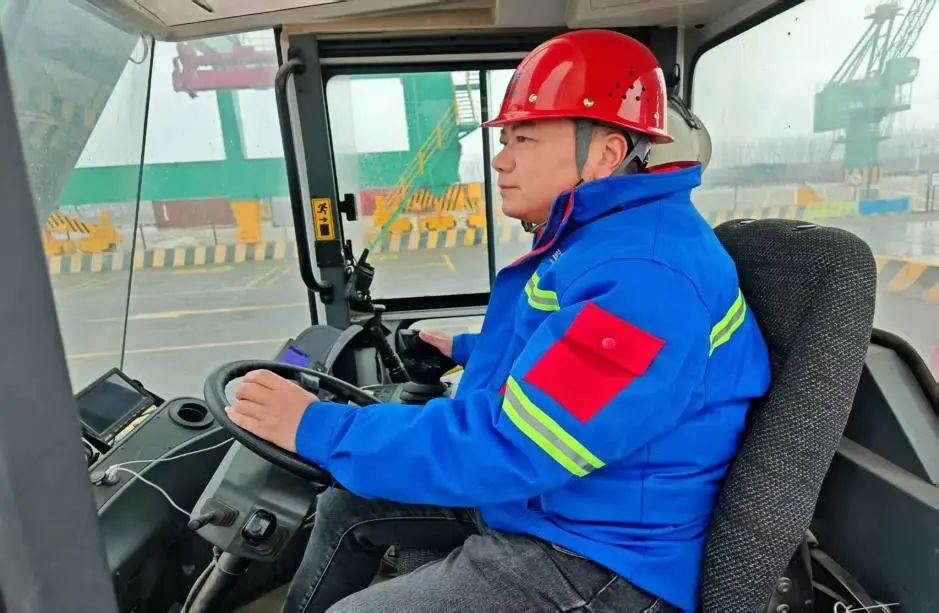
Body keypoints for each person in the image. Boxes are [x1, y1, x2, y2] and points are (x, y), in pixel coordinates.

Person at [227, 29, 770, 612]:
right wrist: (467, 347)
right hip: (555, 496)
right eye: (506, 138)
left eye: (525, 139)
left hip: (602, 555)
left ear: (605, 154)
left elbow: (517, 444)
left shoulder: (646, 278)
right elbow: (574, 352)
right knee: (347, 506)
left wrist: (317, 427)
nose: (501, 158)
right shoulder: (604, 237)